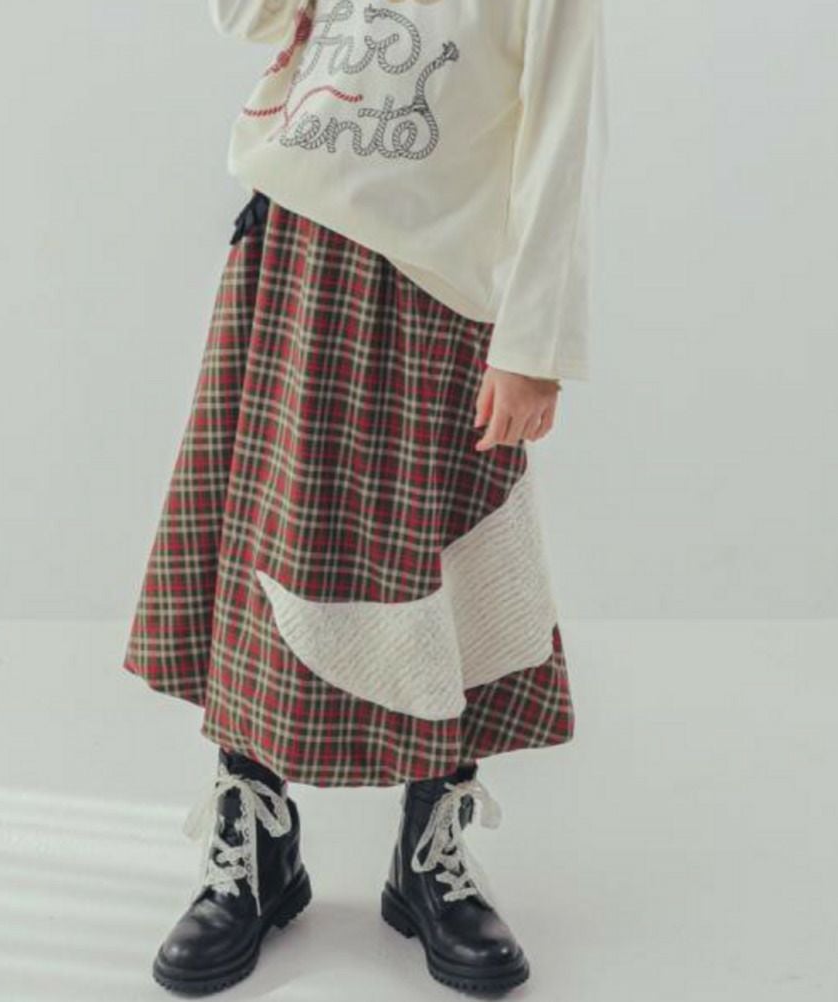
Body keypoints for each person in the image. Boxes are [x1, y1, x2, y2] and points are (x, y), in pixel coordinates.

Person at [122, 0, 607, 994]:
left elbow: (562, 139)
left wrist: (534, 343)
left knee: (449, 556)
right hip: (296, 251)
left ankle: (430, 848)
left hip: (439, 284)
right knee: (266, 541)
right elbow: (247, 18)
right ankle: (255, 836)